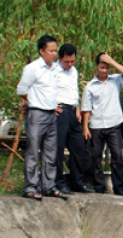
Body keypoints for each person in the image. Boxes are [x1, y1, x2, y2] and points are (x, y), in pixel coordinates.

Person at [17, 35, 67, 201]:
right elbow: (22, 89)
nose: (54, 54)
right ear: (41, 51)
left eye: (55, 50)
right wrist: (34, 101)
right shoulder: (33, 68)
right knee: (33, 151)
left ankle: (48, 186)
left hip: (52, 115)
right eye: (51, 50)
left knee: (50, 153)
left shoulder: (54, 69)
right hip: (37, 114)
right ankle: (30, 187)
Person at [81, 53, 123, 197]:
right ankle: (99, 186)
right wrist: (85, 127)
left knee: (117, 156)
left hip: (113, 123)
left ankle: (119, 187)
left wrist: (112, 61)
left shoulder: (115, 80)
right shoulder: (90, 87)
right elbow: (86, 109)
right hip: (96, 125)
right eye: (102, 67)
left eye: (107, 67)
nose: (104, 70)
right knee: (96, 157)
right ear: (96, 67)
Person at [54, 44, 94, 194]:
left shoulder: (74, 71)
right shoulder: (53, 71)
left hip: (72, 113)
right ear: (60, 58)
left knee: (79, 148)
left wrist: (77, 108)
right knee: (58, 149)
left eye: (72, 61)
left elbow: (73, 91)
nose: (70, 64)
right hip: (60, 112)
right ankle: (59, 183)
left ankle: (78, 182)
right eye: (66, 62)